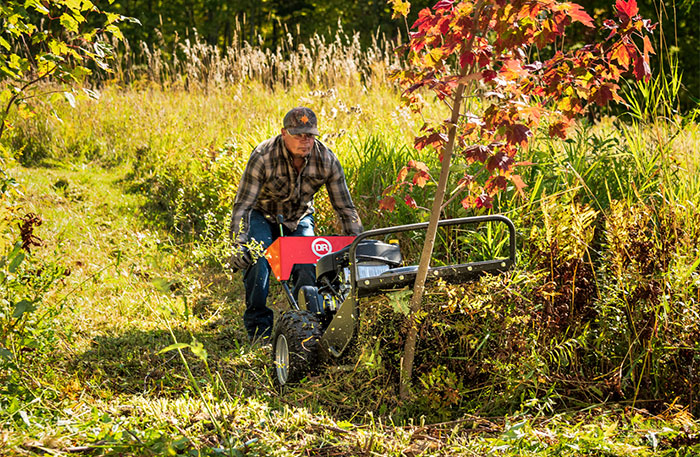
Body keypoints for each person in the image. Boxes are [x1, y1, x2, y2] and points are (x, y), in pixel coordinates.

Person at [229, 107, 363, 342]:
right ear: (284, 133)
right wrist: (239, 244)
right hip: (262, 214)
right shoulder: (263, 156)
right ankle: (259, 330)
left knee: (307, 264)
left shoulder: (326, 160)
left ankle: (305, 326)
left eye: (310, 135)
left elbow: (345, 208)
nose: (305, 141)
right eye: (299, 135)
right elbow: (243, 206)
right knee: (258, 259)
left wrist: (357, 244)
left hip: (299, 216)